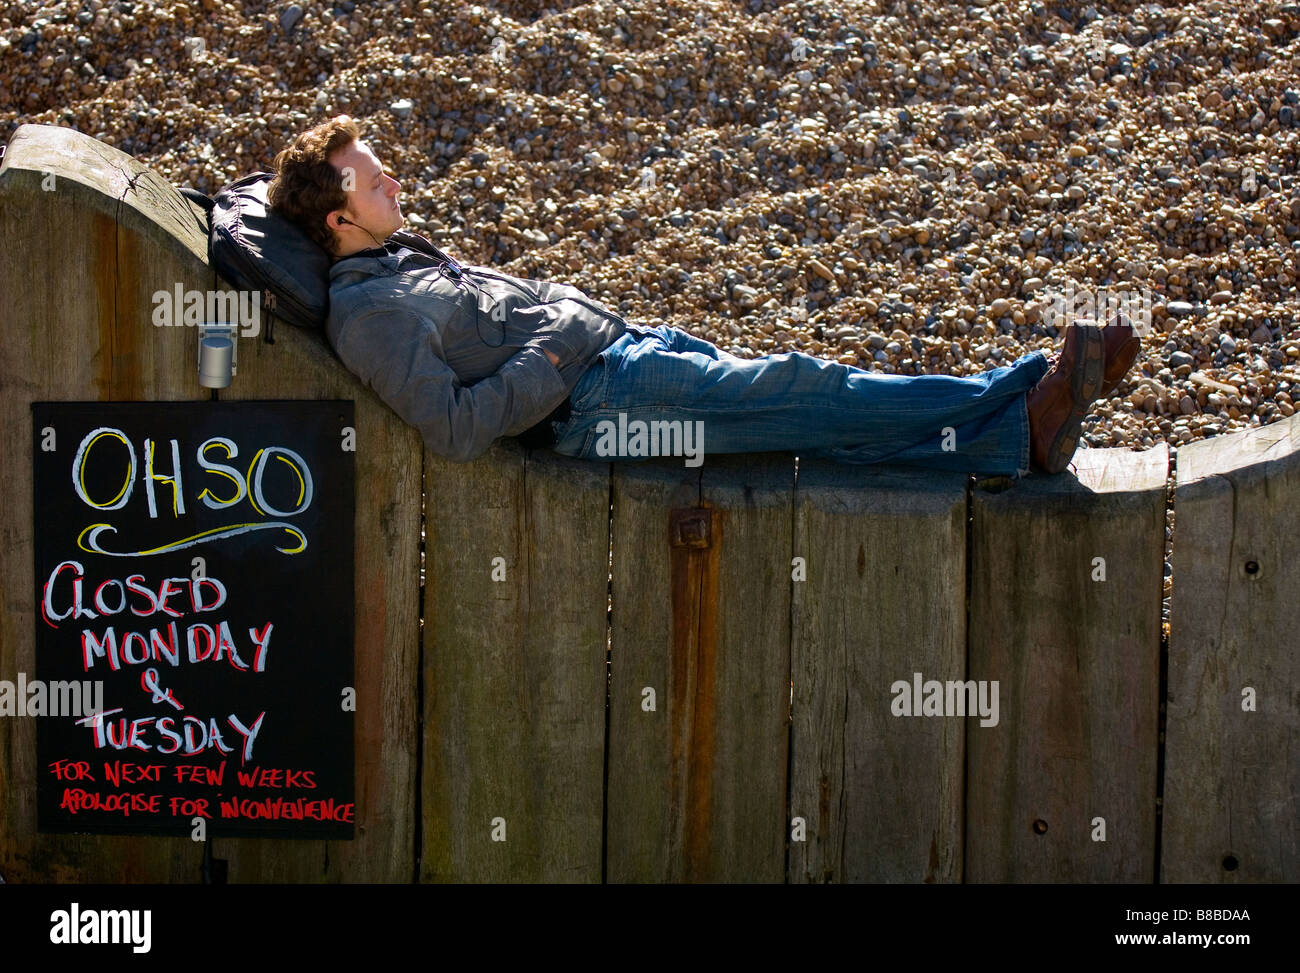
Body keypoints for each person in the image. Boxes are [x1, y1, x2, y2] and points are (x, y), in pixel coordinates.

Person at [268, 115, 1139, 476]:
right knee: (805, 391)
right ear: (339, 220)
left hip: (618, 354)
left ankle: (1008, 441)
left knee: (798, 427)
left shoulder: (390, 265)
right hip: (600, 403)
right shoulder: (370, 315)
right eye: (374, 183)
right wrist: (560, 347)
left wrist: (577, 329)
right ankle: (1022, 393)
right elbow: (453, 431)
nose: (394, 183)